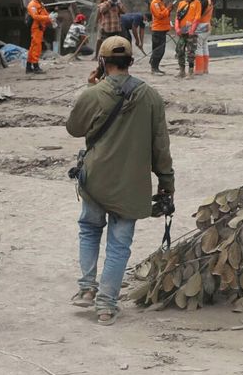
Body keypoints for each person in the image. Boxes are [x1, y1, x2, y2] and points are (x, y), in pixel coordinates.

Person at [63, 35, 175, 324]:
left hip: (96, 181)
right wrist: (166, 183)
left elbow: (74, 128)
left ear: (102, 61)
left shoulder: (94, 94)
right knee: (119, 244)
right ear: (130, 61)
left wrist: (91, 87)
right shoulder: (151, 97)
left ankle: (87, 289)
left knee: (90, 230)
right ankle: (106, 305)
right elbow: (161, 146)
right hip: (132, 185)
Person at [171, 0, 200, 77]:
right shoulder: (181, 3)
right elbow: (177, 17)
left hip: (191, 31)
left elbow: (197, 18)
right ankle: (182, 71)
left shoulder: (197, 3)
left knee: (191, 52)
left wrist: (192, 29)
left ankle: (191, 71)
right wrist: (177, 28)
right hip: (182, 31)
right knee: (179, 50)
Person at [25, 0, 55, 74]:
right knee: (36, 48)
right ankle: (35, 66)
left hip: (40, 28)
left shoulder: (40, 4)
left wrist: (51, 20)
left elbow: (45, 14)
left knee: (33, 48)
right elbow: (35, 16)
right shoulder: (32, 5)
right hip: (36, 28)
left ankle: (28, 67)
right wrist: (48, 18)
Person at [148, 0, 174, 74]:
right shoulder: (155, 3)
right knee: (158, 51)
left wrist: (169, 10)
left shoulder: (160, 3)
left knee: (161, 51)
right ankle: (154, 68)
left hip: (162, 30)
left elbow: (165, 14)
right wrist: (168, 9)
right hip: (157, 30)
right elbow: (159, 15)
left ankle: (156, 67)